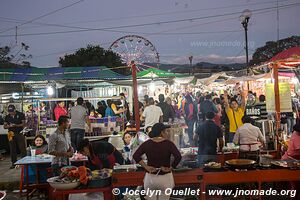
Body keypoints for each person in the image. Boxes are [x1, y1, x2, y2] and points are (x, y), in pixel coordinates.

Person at [133, 123, 182, 200]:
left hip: (150, 178)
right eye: (166, 131)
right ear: (161, 132)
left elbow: (135, 156)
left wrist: (146, 167)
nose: (167, 133)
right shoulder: (169, 144)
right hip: (165, 178)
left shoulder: (147, 143)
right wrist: (171, 168)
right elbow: (178, 156)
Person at [4, 105, 27, 169]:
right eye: (9, 111)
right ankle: (13, 163)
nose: (10, 113)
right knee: (12, 148)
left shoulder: (20, 114)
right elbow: (4, 126)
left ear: (15, 110)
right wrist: (8, 126)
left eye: (12, 111)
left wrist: (16, 125)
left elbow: (24, 124)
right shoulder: (7, 116)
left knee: (22, 148)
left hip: (19, 132)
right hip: (10, 133)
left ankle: (24, 162)